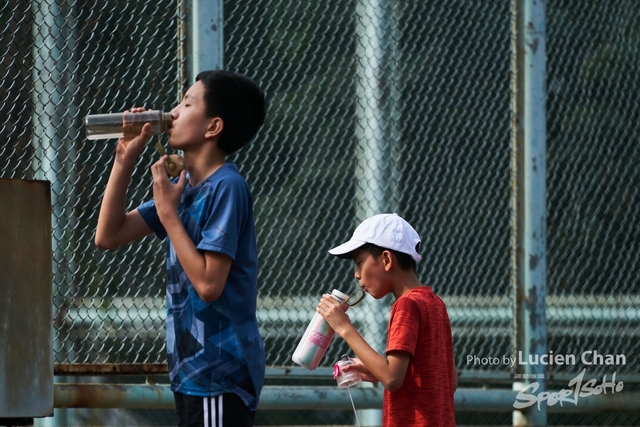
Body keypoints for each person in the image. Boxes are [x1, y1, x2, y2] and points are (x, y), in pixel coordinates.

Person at [95, 70, 267, 427]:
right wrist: (124, 160)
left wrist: (168, 214)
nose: (172, 112)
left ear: (213, 127)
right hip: (192, 372)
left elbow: (209, 285)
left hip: (219, 373)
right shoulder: (184, 187)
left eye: (187, 103)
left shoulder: (227, 187)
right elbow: (108, 235)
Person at [317, 213, 457, 427]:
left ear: (386, 259)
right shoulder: (435, 303)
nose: (356, 275)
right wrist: (375, 371)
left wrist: (344, 327)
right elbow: (449, 381)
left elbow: (392, 378)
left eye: (359, 263)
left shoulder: (406, 306)